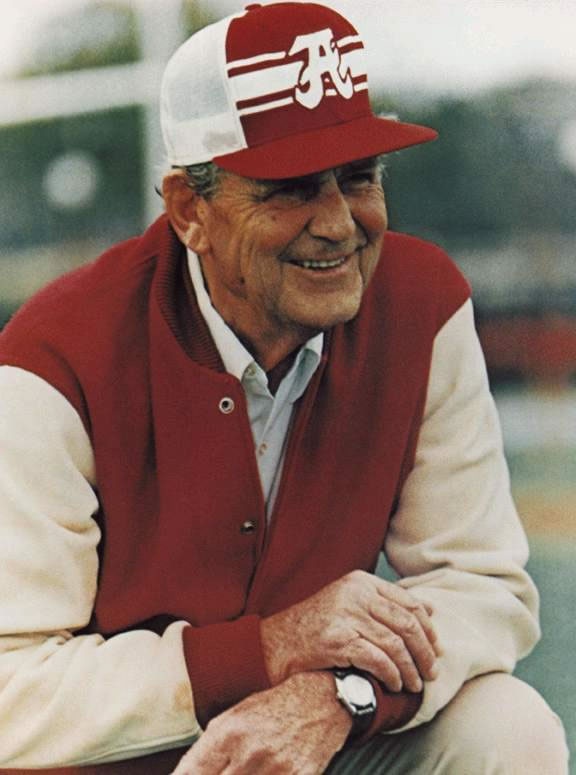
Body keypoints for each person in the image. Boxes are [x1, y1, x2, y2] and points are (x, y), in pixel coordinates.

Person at [0, 2, 568, 773]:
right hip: (117, 756)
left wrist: (342, 694)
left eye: (359, 178)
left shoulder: (422, 303)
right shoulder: (53, 357)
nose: (338, 223)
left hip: (318, 721)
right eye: (292, 188)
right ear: (190, 210)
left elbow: (483, 587)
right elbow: (10, 692)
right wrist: (266, 649)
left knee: (508, 727)